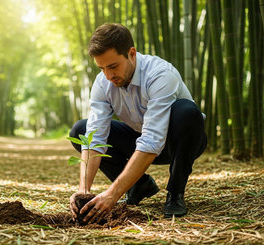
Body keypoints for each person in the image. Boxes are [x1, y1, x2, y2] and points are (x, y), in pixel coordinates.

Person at [69, 23, 207, 223]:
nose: (108, 76)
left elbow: (152, 140)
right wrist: (83, 191)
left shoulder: (160, 74)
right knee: (81, 130)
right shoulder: (102, 83)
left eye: (113, 66)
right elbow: (94, 138)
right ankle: (138, 186)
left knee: (187, 111)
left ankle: (175, 193)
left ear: (131, 53)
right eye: (102, 68)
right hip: (139, 137)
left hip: (177, 141)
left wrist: (113, 194)